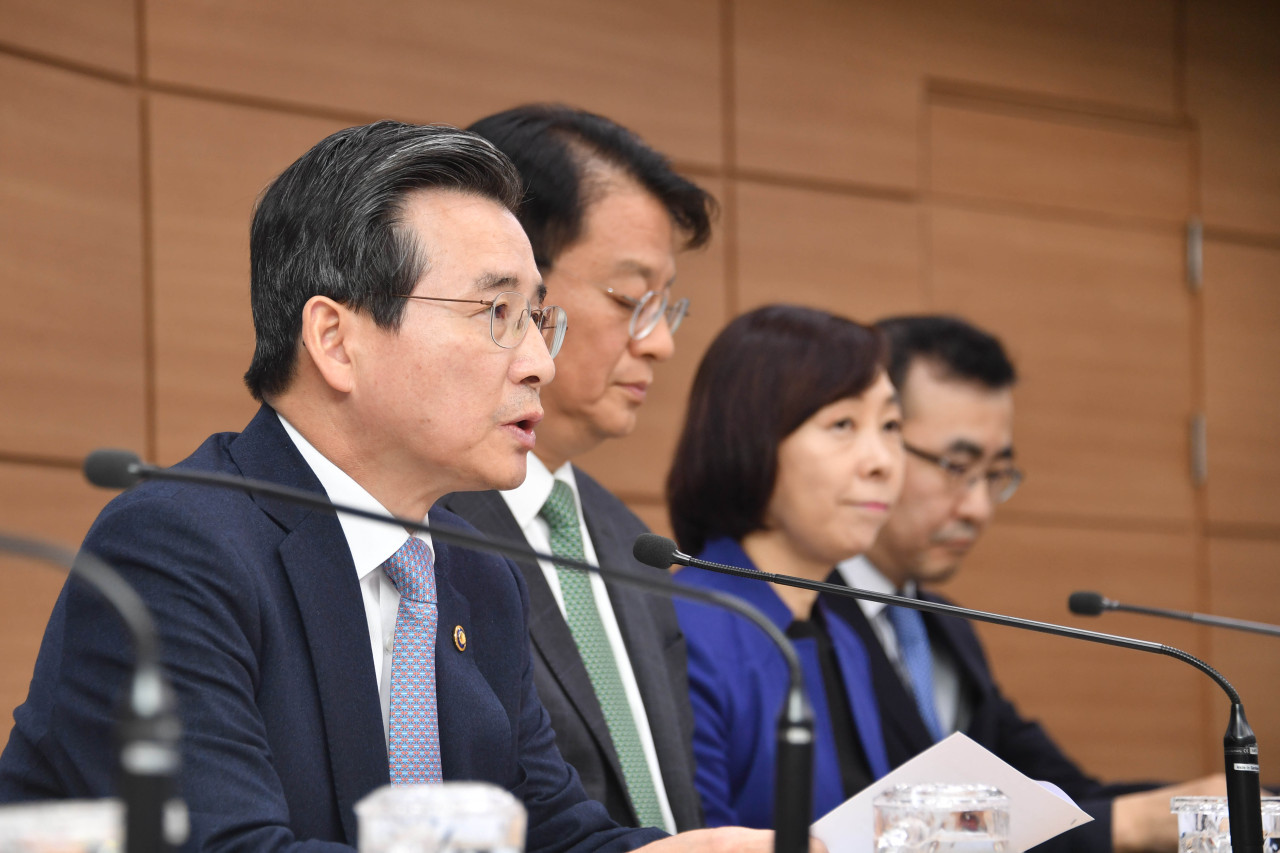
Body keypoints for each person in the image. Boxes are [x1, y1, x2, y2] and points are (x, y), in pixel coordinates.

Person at [0, 121, 801, 853]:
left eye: (537, 319)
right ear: (335, 339)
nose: (539, 364)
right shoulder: (176, 548)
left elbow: (550, 830)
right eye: (495, 313)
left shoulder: (478, 574)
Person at [835, 313, 1224, 853]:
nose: (977, 508)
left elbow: (1062, 796)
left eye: (996, 475)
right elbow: (870, 832)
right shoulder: (800, 615)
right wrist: (1137, 825)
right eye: (955, 465)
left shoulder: (945, 628)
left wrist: (1219, 809)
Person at [440, 104, 714, 833]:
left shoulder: (630, 541)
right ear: (512, 284)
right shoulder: (421, 524)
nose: (659, 343)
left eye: (667, 307)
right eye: (630, 299)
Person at [665, 305, 904, 828]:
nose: (882, 460)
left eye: (891, 425)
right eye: (843, 423)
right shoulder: (681, 626)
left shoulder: (841, 634)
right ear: (750, 438)